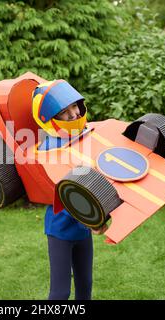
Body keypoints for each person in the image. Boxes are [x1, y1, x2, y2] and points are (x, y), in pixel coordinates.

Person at [32, 80, 108, 300]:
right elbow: (62, 194)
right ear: (50, 119)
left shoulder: (83, 137)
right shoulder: (48, 150)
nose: (74, 114)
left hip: (82, 230)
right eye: (65, 112)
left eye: (74, 106)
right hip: (60, 230)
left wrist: (97, 217)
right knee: (60, 292)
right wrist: (91, 220)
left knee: (85, 285)